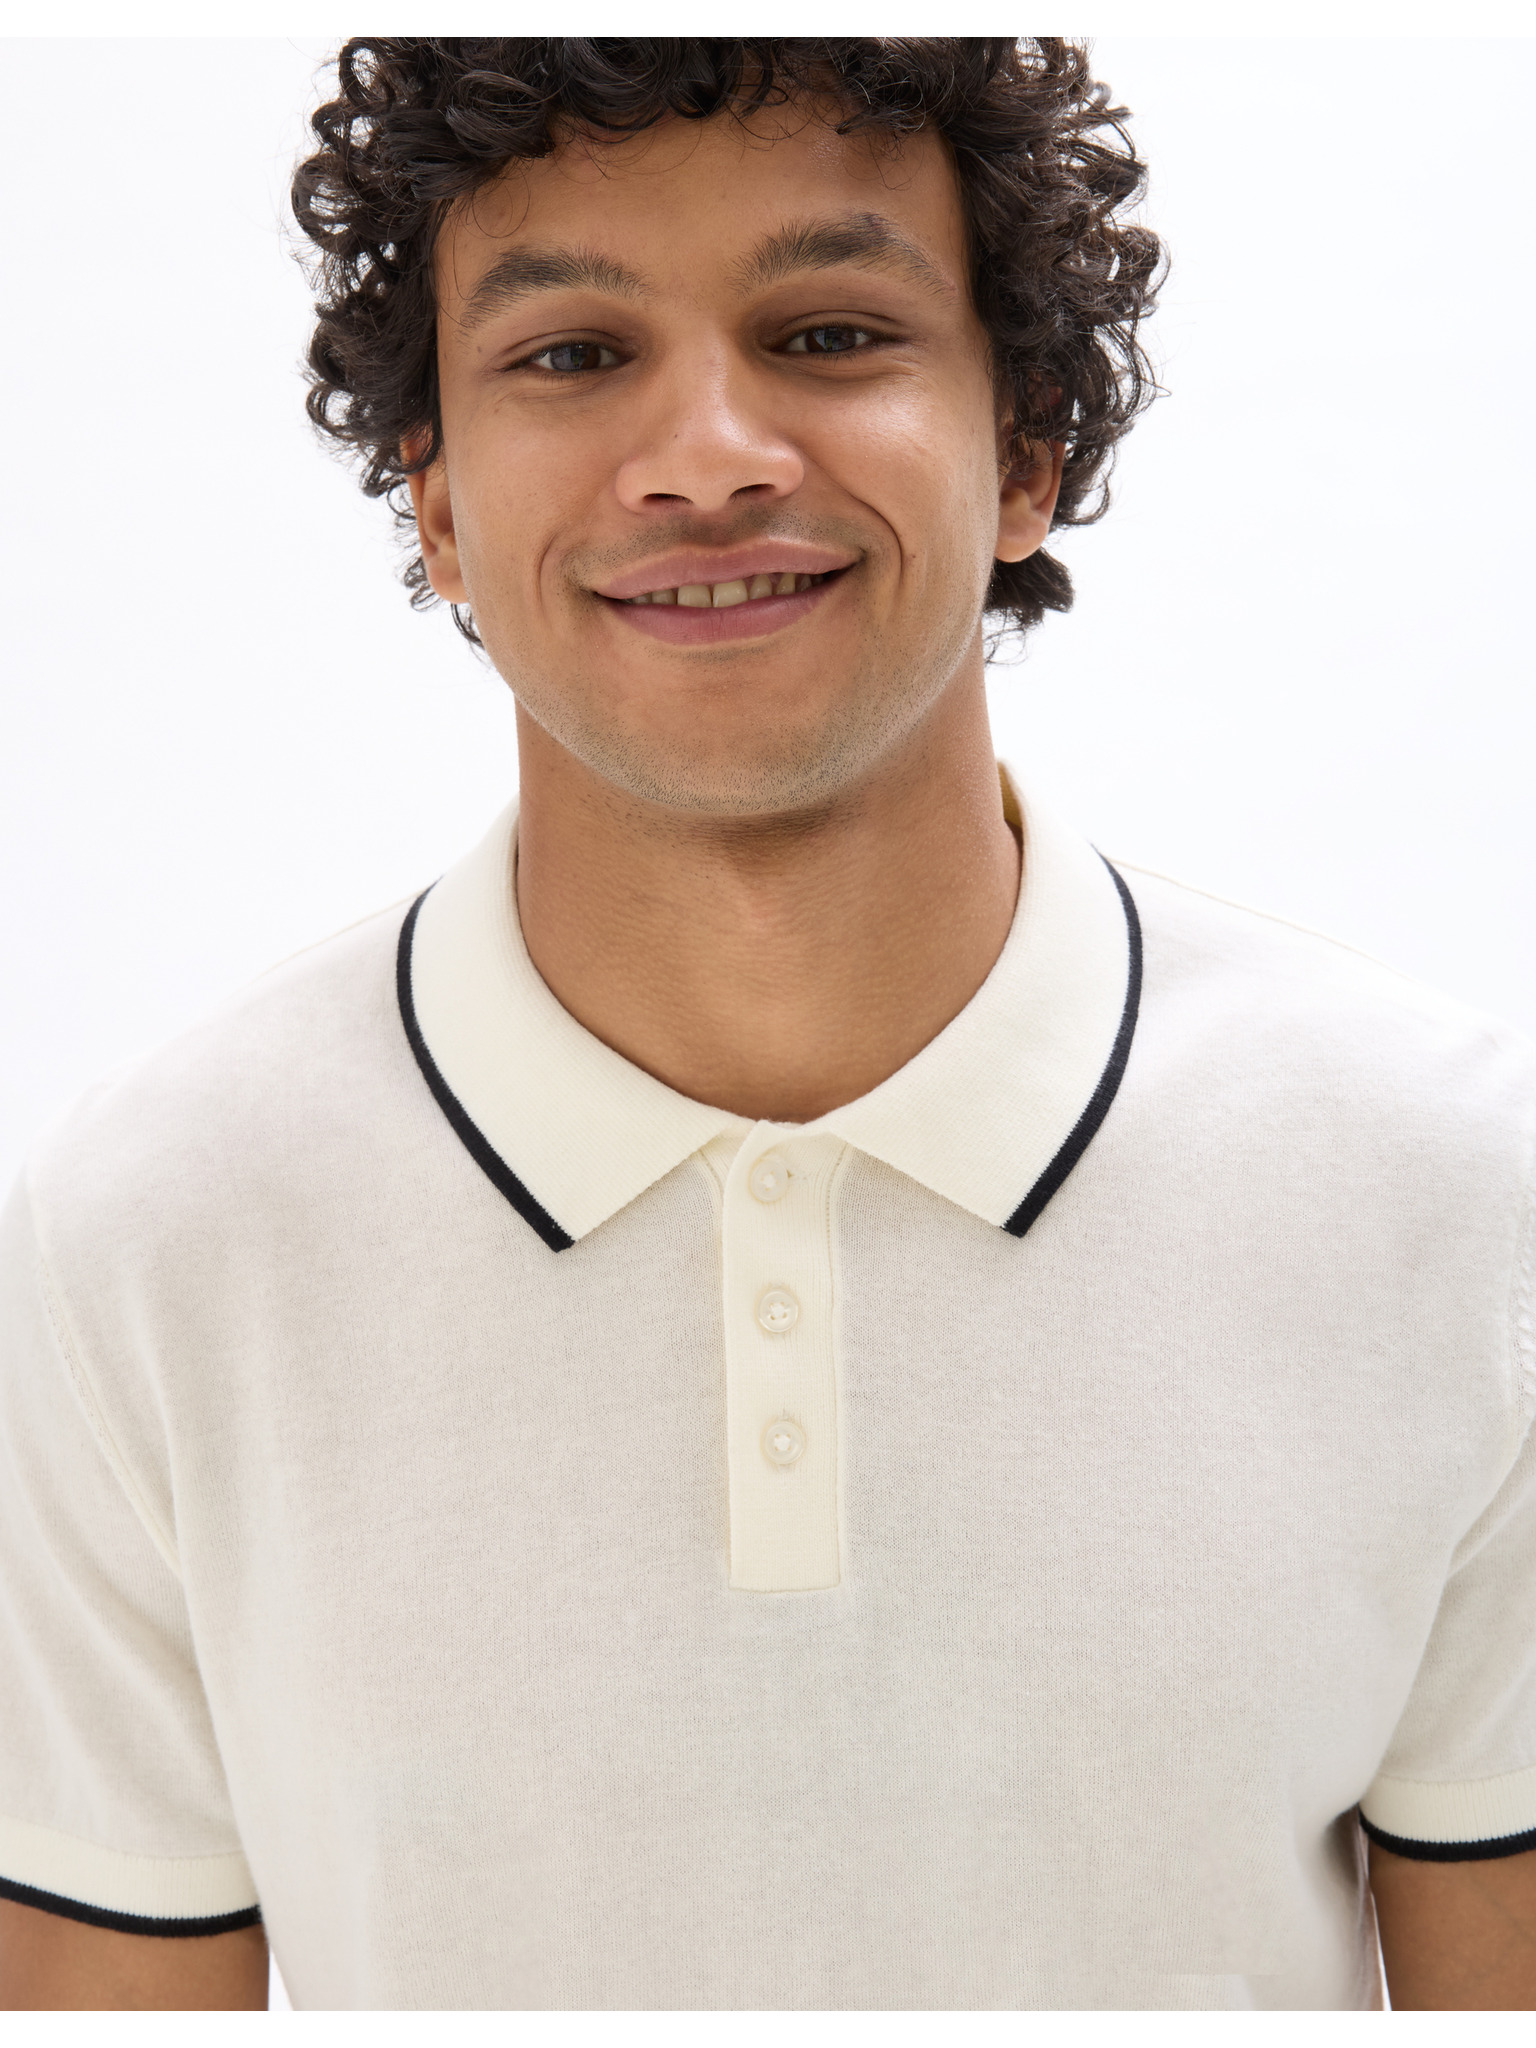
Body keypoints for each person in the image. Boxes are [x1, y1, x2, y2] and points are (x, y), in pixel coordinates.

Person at [0, 35, 1532, 2014]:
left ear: (1027, 448)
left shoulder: (1457, 1202)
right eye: (572, 355)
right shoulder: (139, 1252)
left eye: (827, 334)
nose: (708, 454)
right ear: (439, 507)